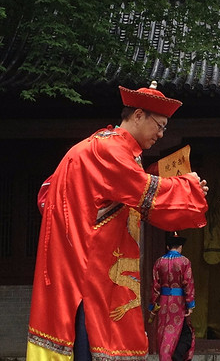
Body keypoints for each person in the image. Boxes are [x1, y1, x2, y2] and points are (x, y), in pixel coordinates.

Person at [27, 82, 209, 361]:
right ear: (138, 115)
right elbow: (145, 192)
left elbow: (48, 194)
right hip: (89, 271)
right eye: (159, 125)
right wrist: (189, 187)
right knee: (90, 342)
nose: (161, 134)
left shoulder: (99, 144)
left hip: (80, 264)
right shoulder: (110, 150)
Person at [149, 232, 195, 361]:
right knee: (178, 331)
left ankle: (166, 357)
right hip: (179, 302)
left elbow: (155, 286)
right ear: (180, 247)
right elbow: (188, 283)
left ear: (168, 247)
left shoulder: (159, 262)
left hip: (164, 301)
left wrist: (152, 306)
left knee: (164, 332)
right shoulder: (185, 261)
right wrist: (190, 304)